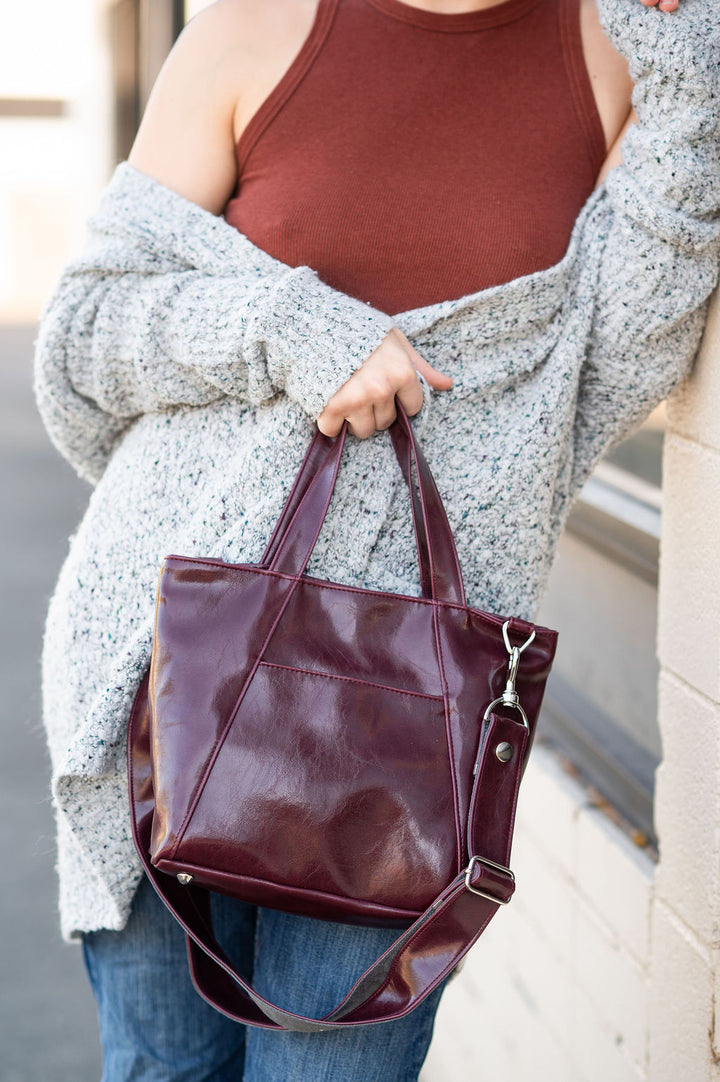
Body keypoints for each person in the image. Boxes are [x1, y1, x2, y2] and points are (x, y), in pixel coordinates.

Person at [32, 0, 718, 1079]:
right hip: (166, 672)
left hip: (401, 736)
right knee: (162, 1069)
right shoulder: (256, 29)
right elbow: (82, 344)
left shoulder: (619, 50)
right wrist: (287, 327)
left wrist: (685, 43)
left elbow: (625, 358)